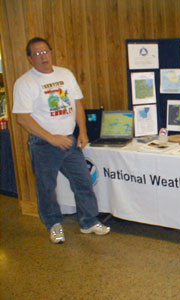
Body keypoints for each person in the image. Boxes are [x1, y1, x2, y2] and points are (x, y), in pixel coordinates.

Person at [12, 37, 110, 244]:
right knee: (46, 188)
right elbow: (22, 117)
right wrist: (51, 138)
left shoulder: (65, 74)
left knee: (83, 181)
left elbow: (77, 104)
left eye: (45, 51)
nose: (43, 56)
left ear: (51, 52)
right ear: (30, 59)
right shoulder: (25, 82)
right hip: (44, 145)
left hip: (70, 141)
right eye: (37, 54)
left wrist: (82, 132)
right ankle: (54, 225)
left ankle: (88, 221)